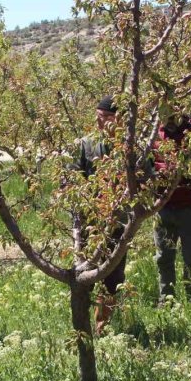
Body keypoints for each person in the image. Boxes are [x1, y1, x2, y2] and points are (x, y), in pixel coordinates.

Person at [70, 95, 128, 335]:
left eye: (106, 118)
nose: (101, 123)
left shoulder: (129, 146)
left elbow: (145, 178)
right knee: (84, 273)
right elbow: (72, 179)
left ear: (119, 120)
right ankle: (82, 328)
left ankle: (102, 326)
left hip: (119, 222)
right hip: (89, 222)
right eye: (99, 117)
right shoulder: (85, 144)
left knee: (113, 275)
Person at [152, 113, 191, 303]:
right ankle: (167, 302)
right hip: (163, 206)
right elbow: (145, 165)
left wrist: (180, 171)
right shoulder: (153, 131)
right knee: (163, 257)